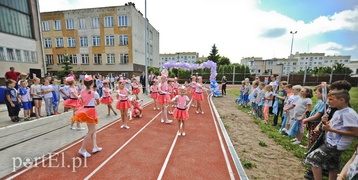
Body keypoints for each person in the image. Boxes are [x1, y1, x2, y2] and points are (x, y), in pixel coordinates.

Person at [304, 90, 358, 180]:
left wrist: (330, 129)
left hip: (336, 144)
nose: (328, 101)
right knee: (332, 166)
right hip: (332, 142)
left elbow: (355, 133)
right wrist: (325, 122)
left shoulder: (348, 114)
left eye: (331, 99)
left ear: (341, 100)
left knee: (312, 159)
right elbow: (333, 126)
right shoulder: (338, 112)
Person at [72, 75, 102, 158]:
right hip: (91, 111)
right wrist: (94, 103)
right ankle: (82, 149)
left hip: (85, 110)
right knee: (91, 131)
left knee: (93, 129)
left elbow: (80, 99)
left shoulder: (82, 91)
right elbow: (98, 102)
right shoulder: (94, 93)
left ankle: (95, 146)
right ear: (92, 83)